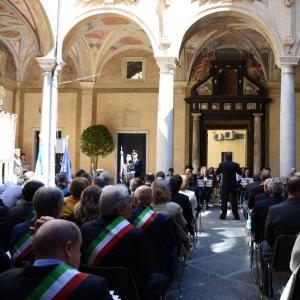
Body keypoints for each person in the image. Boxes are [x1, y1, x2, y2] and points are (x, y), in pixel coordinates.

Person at [81, 184, 168, 300]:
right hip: (131, 291)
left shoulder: (85, 228)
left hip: (94, 286)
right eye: (129, 202)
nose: (132, 205)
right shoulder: (135, 235)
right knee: (162, 277)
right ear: (119, 209)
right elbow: (146, 272)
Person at [0, 219, 112, 300]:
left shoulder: (4, 278)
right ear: (68, 248)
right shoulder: (93, 287)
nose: (80, 254)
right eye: (78, 248)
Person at [130, 185, 177, 278]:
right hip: (159, 266)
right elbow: (171, 243)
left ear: (134, 200)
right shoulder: (163, 220)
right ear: (152, 200)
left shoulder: (126, 219)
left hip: (133, 267)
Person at [10, 186, 65, 267]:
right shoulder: (65, 232)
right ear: (59, 206)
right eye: (64, 204)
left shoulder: (18, 229)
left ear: (34, 204)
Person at [251, 178, 284, 242]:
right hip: (288, 240)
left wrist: (254, 233)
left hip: (265, 239)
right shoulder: (287, 202)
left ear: (268, 189)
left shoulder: (259, 205)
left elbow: (254, 223)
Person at [216, 152, 242, 220]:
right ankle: (236, 216)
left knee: (224, 200)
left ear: (225, 157)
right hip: (233, 184)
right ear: (231, 157)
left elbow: (217, 172)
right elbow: (240, 172)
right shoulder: (235, 164)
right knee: (234, 200)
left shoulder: (222, 164)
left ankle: (223, 216)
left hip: (225, 184)